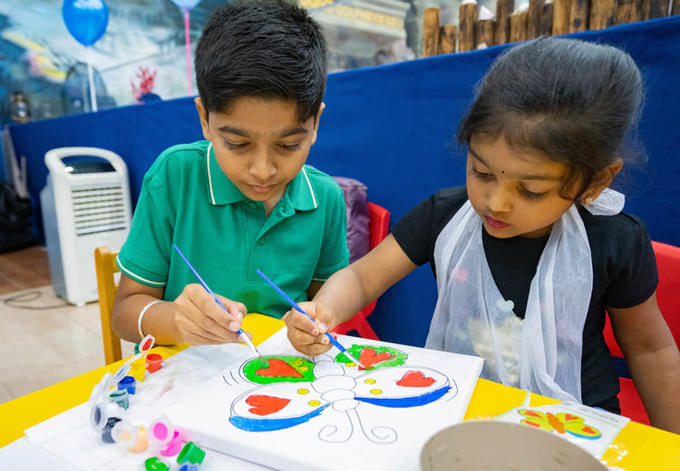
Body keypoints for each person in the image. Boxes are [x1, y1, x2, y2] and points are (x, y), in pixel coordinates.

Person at [284, 37, 680, 433]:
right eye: (482, 173)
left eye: (531, 190)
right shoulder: (445, 216)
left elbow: (650, 348)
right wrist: (325, 310)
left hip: (576, 423)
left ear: (595, 181)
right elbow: (361, 276)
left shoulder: (614, 240)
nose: (496, 202)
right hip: (460, 410)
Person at [112, 0, 349, 347]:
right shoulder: (174, 177)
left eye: (287, 146)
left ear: (315, 124)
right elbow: (124, 313)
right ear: (204, 118)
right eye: (237, 144)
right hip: (183, 379)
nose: (263, 170)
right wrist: (176, 322)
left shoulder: (325, 198)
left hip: (275, 381)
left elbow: (323, 306)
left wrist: (316, 325)